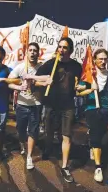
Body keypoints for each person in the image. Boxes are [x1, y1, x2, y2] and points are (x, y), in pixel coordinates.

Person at [36, 37, 82, 183]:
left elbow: (81, 81)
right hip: (50, 104)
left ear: (71, 50)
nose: (61, 50)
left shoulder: (76, 66)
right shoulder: (50, 64)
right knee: (49, 133)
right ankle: (48, 148)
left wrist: (80, 87)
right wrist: (45, 82)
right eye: (60, 47)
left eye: (65, 47)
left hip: (67, 105)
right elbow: (35, 80)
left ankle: (64, 166)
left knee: (66, 135)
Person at [76, 49, 108, 182]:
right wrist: (90, 89)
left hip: (105, 109)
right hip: (91, 108)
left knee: (102, 132)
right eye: (100, 59)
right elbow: (78, 92)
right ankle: (98, 168)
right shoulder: (89, 74)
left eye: (105, 59)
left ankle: (92, 143)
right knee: (96, 136)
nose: (103, 61)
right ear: (94, 60)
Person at [8, 42, 49, 170]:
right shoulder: (20, 67)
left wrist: (37, 82)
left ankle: (29, 156)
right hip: (22, 104)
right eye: (30, 50)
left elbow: (48, 80)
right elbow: (9, 82)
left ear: (38, 53)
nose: (32, 52)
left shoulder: (42, 68)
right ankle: (22, 143)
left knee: (33, 130)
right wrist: (19, 87)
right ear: (27, 53)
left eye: (35, 50)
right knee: (21, 130)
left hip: (36, 105)